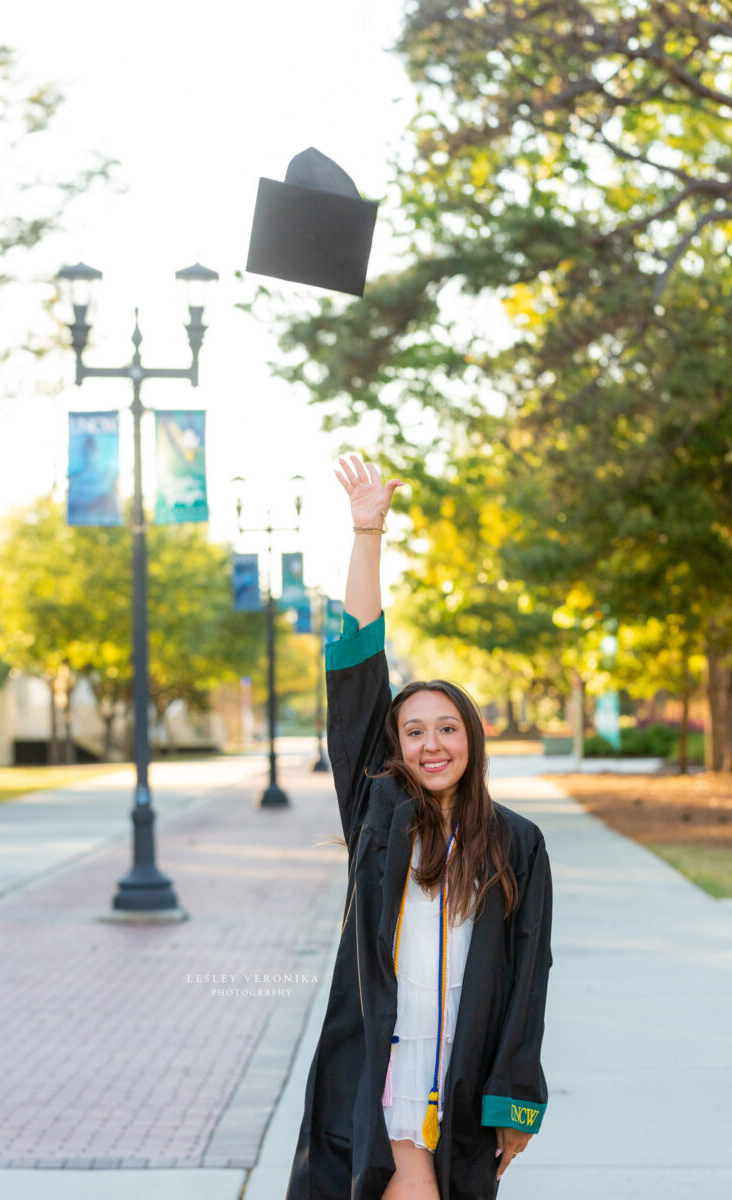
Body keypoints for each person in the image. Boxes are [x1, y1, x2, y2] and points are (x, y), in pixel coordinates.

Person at [284, 454, 553, 1200]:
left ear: (472, 737)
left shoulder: (518, 844)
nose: (431, 745)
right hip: (384, 1065)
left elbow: (531, 976)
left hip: (465, 1071)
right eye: (413, 732)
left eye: (447, 728)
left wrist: (515, 1097)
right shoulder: (378, 814)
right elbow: (359, 669)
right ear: (395, 747)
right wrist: (366, 534)